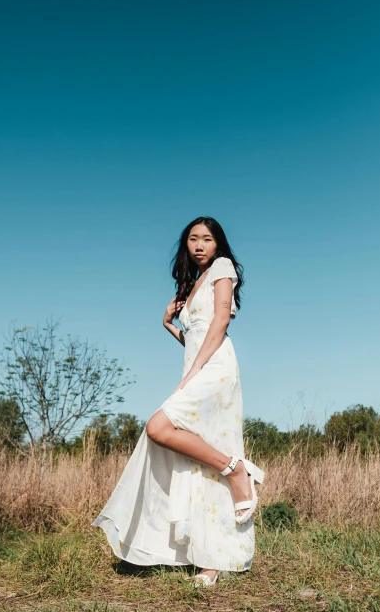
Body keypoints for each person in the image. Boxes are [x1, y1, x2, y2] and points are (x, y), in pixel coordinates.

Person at [92, 217, 265, 587]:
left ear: (218, 244)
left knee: (159, 426)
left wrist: (191, 375)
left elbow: (219, 323)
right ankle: (209, 559)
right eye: (192, 239)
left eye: (207, 238)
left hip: (216, 369)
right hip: (200, 365)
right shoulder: (190, 283)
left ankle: (235, 470)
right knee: (196, 458)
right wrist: (173, 326)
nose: (199, 245)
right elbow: (198, 336)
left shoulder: (223, 268)